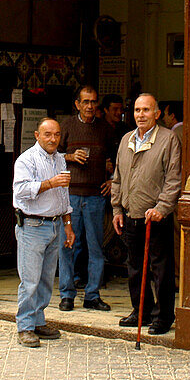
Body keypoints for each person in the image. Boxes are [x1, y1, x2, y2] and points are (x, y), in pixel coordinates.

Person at [111, 93, 181, 335]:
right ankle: (140, 310)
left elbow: (173, 179)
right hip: (131, 214)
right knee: (135, 267)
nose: (141, 115)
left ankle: (163, 316)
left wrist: (162, 208)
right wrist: (117, 209)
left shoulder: (168, 139)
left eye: (146, 110)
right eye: (137, 110)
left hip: (156, 216)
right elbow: (118, 178)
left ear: (157, 114)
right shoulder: (126, 140)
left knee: (160, 268)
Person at [12, 118, 74, 347]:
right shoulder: (26, 160)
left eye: (57, 134)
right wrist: (50, 183)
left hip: (55, 224)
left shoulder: (59, 159)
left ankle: (38, 320)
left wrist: (68, 224)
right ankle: (25, 326)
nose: (53, 139)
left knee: (46, 280)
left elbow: (63, 195)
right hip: (32, 226)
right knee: (30, 280)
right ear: (37, 135)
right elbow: (20, 192)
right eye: (47, 134)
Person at [57, 85, 114, 312]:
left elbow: (117, 157)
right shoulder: (67, 127)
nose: (90, 106)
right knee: (68, 245)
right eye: (86, 102)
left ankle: (92, 295)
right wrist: (70, 156)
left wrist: (113, 180)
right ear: (77, 104)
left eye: (93, 102)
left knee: (95, 248)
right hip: (70, 197)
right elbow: (51, 156)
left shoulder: (104, 129)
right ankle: (67, 294)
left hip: (95, 197)